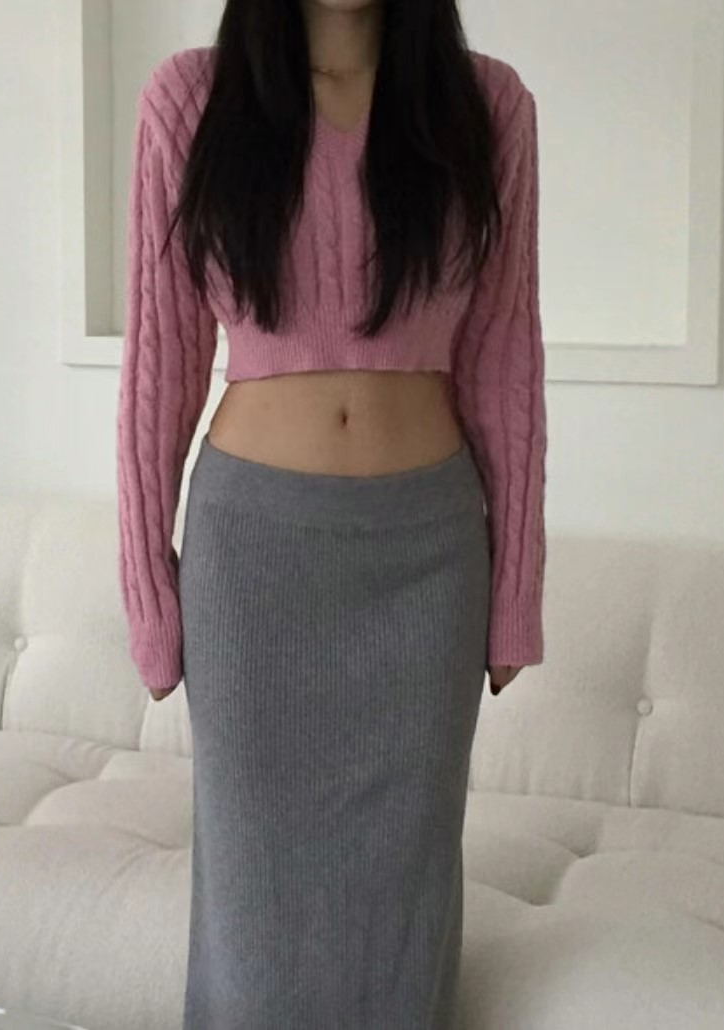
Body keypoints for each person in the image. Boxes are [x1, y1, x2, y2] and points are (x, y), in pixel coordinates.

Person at [116, 0, 546, 1025]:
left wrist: (515, 595)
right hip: (252, 562)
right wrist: (148, 592)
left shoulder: (488, 107)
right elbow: (159, 362)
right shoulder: (191, 99)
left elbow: (505, 359)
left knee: (404, 918)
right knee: (254, 921)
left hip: (427, 566)